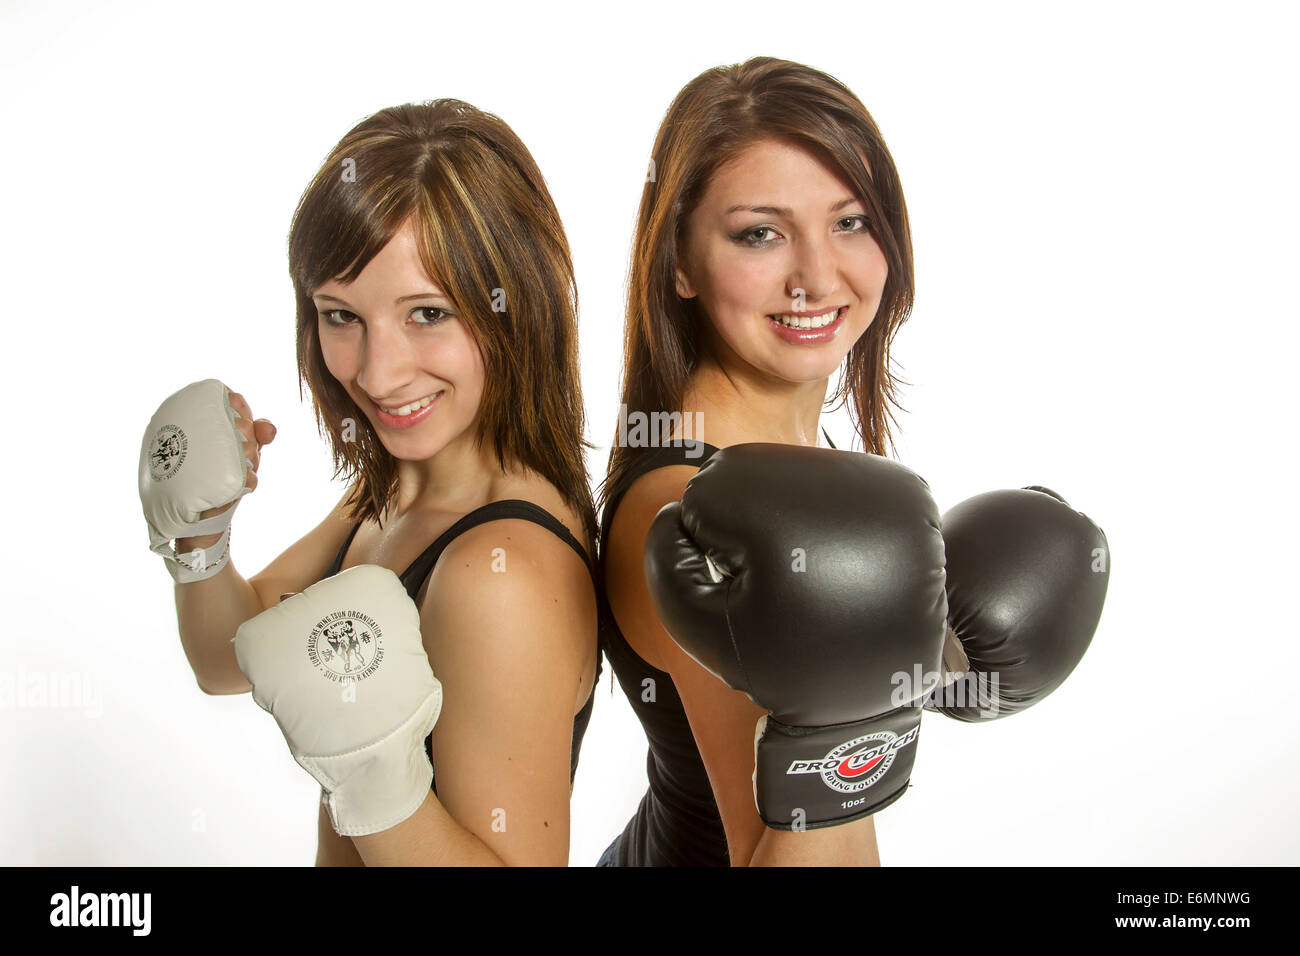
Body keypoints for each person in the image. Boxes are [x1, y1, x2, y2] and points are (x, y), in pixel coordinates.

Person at [596, 57, 1110, 868]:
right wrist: (846, 712)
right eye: (759, 233)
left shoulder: (776, 468)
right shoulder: (685, 503)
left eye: (850, 222)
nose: (817, 275)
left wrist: (904, 662)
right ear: (680, 265)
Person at [138, 100, 600, 866]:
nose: (378, 373)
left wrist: (374, 781)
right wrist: (201, 542)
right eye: (340, 315)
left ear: (519, 305)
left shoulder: (501, 573)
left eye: (427, 313)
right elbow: (228, 660)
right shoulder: (393, 489)